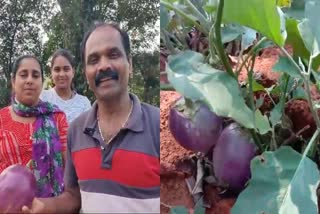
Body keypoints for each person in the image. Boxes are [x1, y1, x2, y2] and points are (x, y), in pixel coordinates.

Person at [22, 21, 160, 213]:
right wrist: (43, 206)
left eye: (113, 54)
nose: (103, 66)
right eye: (94, 60)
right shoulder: (76, 130)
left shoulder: (158, 124)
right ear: (86, 74)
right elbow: (73, 197)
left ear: (130, 64)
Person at [0, 55, 68, 198]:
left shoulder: (57, 117)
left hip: (51, 206)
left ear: (42, 82)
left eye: (35, 75)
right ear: (13, 81)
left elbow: (68, 166)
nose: (29, 80)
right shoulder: (1, 119)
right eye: (23, 75)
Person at [40, 49, 91, 123]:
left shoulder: (84, 103)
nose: (62, 74)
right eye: (57, 70)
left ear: (73, 72)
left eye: (66, 69)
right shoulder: (43, 98)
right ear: (51, 72)